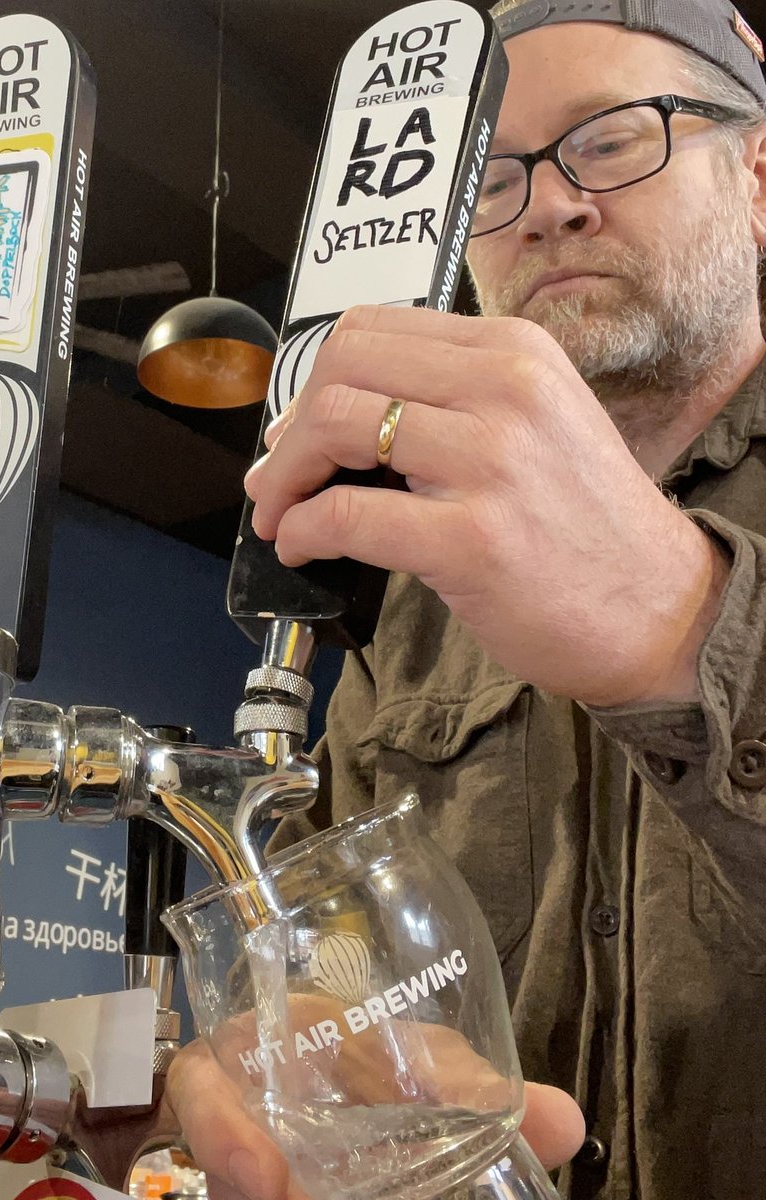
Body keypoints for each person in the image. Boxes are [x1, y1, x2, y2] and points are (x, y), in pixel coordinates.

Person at [165, 1, 766, 1198]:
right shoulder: (413, 582)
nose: (550, 202)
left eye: (610, 138)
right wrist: (276, 1057)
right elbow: (317, 943)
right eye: (491, 176)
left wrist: (683, 626)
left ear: (759, 179)